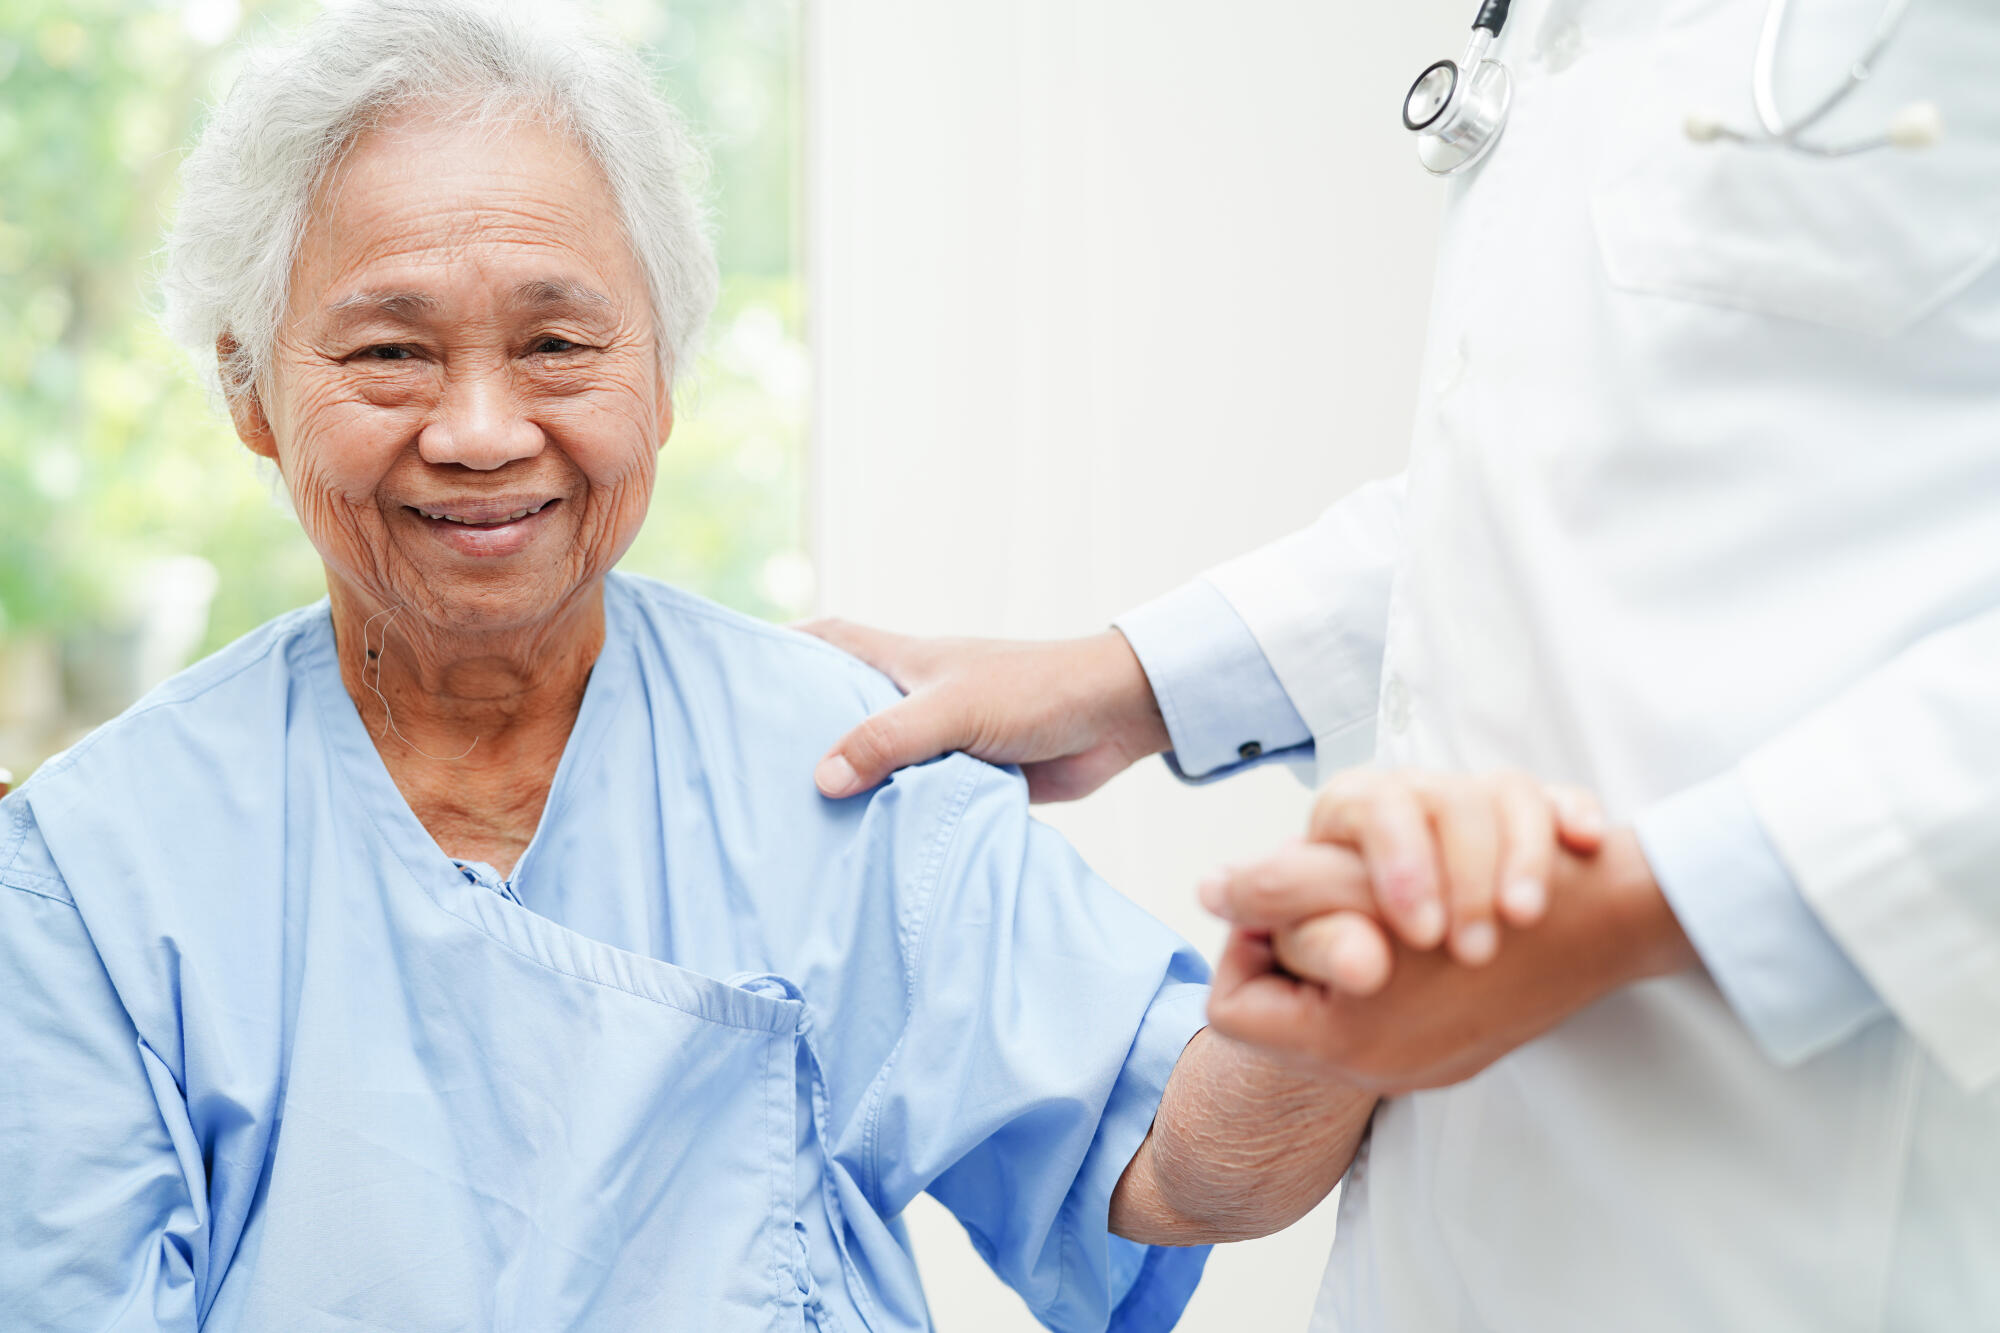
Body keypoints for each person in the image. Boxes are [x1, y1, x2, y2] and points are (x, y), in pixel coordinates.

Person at [0, 4, 1369, 1328]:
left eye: (555, 343)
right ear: (251, 389)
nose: (481, 430)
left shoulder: (843, 763)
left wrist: (1320, 1001)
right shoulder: (92, 865)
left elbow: (1180, 1167)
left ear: (661, 373)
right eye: (390, 351)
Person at [805, 0, 2000, 1327]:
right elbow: (1547, 478)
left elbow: (1186, 1168)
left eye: (565, 341)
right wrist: (1127, 675)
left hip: (1814, 1189)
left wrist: (1649, 906)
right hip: (1455, 1230)